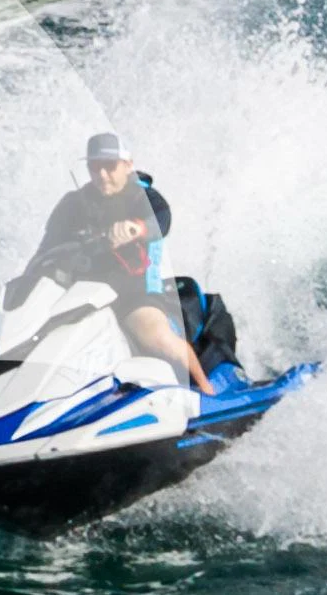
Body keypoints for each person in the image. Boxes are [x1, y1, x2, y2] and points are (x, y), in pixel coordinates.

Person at [22, 132, 216, 403]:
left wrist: (136, 228)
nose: (102, 174)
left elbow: (162, 220)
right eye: (94, 166)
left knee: (157, 339)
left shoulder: (142, 197)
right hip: (80, 295)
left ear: (127, 165)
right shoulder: (73, 204)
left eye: (109, 166)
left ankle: (207, 394)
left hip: (132, 293)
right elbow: (45, 249)